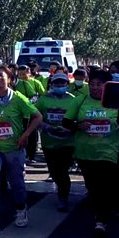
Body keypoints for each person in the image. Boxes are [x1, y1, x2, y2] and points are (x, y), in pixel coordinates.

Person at [0, 67, 42, 232]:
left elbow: (37, 116)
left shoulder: (18, 98)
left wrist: (26, 135)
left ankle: (21, 209)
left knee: (16, 181)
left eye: (1, 75)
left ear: (9, 79)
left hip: (14, 146)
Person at [64, 70, 119, 237]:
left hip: (108, 151)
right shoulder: (80, 100)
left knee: (106, 185)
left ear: (107, 86)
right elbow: (66, 122)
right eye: (92, 84)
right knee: (93, 187)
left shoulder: (116, 101)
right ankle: (99, 213)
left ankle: (101, 220)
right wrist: (78, 126)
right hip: (85, 152)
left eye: (99, 84)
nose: (95, 88)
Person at [35, 72, 79, 211]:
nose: (60, 85)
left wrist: (70, 129)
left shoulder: (74, 100)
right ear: (52, 84)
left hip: (68, 142)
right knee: (54, 171)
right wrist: (45, 126)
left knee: (63, 171)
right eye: (57, 83)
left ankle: (63, 197)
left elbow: (79, 119)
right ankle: (61, 189)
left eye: (62, 83)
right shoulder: (43, 100)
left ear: (67, 85)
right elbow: (35, 117)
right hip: (49, 142)